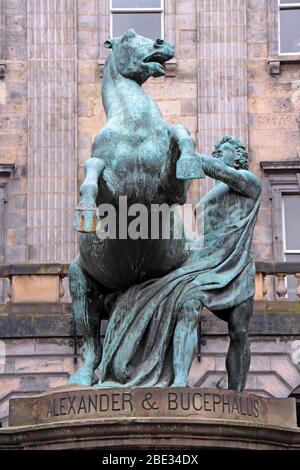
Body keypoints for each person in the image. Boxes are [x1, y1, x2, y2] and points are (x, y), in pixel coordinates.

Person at [171, 136, 262, 391]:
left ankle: (237, 393)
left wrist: (189, 155)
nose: (218, 154)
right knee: (188, 306)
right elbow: (188, 231)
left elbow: (222, 171)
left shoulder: (249, 182)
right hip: (208, 265)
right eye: (217, 152)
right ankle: (179, 380)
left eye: (224, 151)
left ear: (238, 156)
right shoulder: (210, 198)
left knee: (239, 330)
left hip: (238, 265)